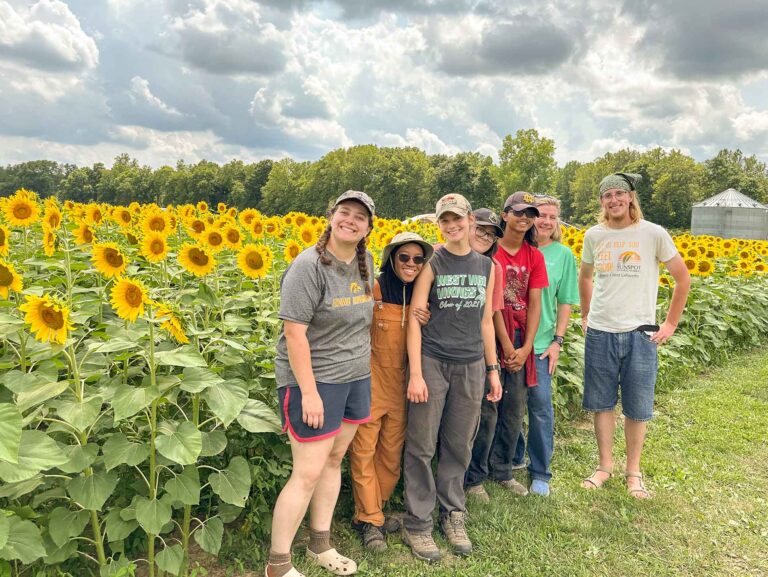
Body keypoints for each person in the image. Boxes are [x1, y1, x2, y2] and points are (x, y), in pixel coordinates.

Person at [267, 190, 376, 577]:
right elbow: (294, 334)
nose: (351, 220)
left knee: (333, 461)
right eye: (344, 212)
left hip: (355, 377)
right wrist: (309, 393)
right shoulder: (308, 266)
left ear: (368, 228)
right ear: (330, 217)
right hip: (314, 381)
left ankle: (320, 545)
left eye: (360, 216)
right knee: (307, 472)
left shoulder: (366, 262)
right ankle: (278, 565)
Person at [402, 193, 501, 562]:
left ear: (470, 219)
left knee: (459, 444)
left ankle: (453, 513)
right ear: (438, 224)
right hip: (433, 362)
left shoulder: (487, 267)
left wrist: (492, 371)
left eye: (457, 218)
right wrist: (415, 372)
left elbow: (486, 321)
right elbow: (416, 316)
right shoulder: (432, 263)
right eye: (444, 220)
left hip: (471, 364)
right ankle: (418, 521)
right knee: (422, 444)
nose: (451, 225)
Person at [579, 173, 690, 499]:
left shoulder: (653, 233)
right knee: (601, 404)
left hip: (641, 333)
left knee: (637, 407)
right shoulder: (594, 235)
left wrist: (669, 324)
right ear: (601, 202)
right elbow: (585, 276)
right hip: (601, 331)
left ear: (630, 197)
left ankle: (633, 473)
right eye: (606, 195)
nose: (613, 200)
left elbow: (682, 279)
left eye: (619, 194)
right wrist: (586, 315)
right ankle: (604, 467)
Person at [348, 232, 433, 552]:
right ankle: (369, 519)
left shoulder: (424, 292)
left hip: (405, 383)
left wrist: (427, 317)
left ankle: (375, 509)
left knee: (391, 454)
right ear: (391, 258)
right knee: (363, 450)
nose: (411, 264)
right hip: (371, 380)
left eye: (418, 259)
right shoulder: (375, 286)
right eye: (404, 257)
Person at [465, 191, 548, 502]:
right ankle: (475, 476)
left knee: (514, 410)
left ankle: (504, 470)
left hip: (520, 339)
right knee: (487, 410)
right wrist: (505, 346)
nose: (524, 218)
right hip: (490, 337)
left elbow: (536, 303)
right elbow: (493, 308)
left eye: (530, 213)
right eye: (518, 212)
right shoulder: (490, 250)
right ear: (505, 214)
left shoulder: (534, 256)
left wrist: (526, 347)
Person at [508, 195, 579, 497]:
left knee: (539, 408)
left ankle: (540, 471)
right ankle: (513, 457)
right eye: (541, 215)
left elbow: (565, 301)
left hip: (541, 343)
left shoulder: (563, 256)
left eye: (552, 216)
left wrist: (557, 341)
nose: (546, 221)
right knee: (509, 404)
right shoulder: (517, 248)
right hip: (510, 339)